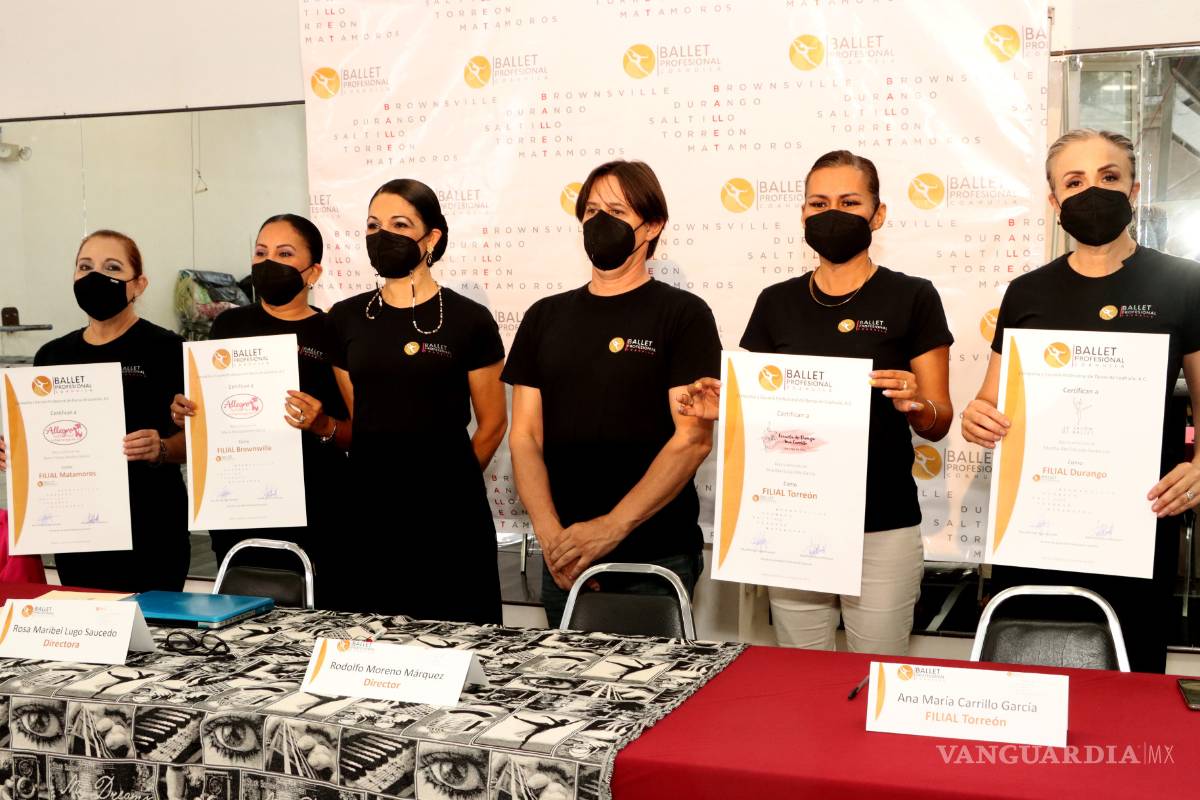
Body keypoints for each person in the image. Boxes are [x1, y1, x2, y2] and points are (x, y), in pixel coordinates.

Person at [680, 150, 954, 656]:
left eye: (849, 202)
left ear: (878, 214)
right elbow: (758, 404)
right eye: (818, 203)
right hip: (793, 517)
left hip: (882, 523)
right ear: (803, 213)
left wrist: (918, 404)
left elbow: (938, 420)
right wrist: (726, 407)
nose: (832, 214)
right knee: (798, 676)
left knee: (874, 674)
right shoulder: (776, 301)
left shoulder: (913, 297)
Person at [962, 129, 1200, 673]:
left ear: (1133, 189)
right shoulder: (1027, 292)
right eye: (1074, 182)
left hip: (1138, 517)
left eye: (1108, 177)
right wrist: (977, 418)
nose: (1092, 191)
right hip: (1038, 522)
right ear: (1054, 202)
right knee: (1030, 671)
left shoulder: (1184, 283)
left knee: (1129, 675)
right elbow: (988, 401)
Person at [503, 159, 721, 628]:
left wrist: (609, 529)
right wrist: (553, 538)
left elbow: (692, 440)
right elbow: (524, 437)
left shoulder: (684, 315)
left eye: (617, 212)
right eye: (592, 211)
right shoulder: (544, 317)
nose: (601, 223)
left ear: (652, 226)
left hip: (654, 558)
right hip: (563, 558)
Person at [326, 179, 506, 623]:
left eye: (399, 224)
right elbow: (361, 416)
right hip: (369, 511)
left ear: (432, 238)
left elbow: (493, 423)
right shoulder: (345, 317)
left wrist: (452, 483)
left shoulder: (470, 319)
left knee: (457, 637)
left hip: (450, 514)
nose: (382, 235)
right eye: (373, 225)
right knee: (369, 639)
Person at [170, 214, 351, 597]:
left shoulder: (333, 331)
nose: (269, 263)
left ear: (313, 272)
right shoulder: (227, 326)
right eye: (260, 252)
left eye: (284, 254)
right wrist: (188, 412)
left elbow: (358, 429)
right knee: (240, 614)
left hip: (316, 507)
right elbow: (214, 410)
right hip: (238, 503)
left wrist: (322, 423)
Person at [0, 230, 189, 591]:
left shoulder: (167, 349)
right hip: (76, 532)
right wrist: (16, 450)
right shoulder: (52, 356)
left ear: (138, 285)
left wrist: (162, 448)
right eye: (85, 267)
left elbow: (200, 439)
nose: (95, 277)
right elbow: (44, 436)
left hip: (152, 527)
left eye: (112, 268)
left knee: (155, 624)